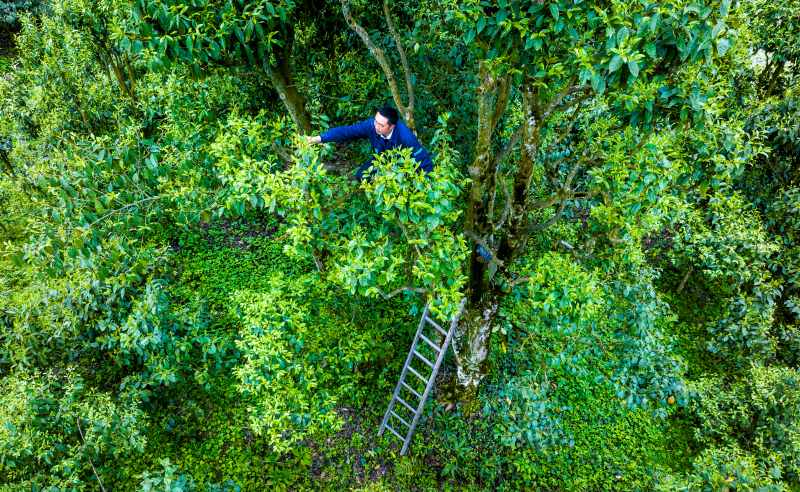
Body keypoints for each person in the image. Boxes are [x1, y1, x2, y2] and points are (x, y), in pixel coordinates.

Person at [306, 106, 433, 180]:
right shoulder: (372, 125)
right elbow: (347, 131)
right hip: (382, 159)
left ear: (391, 126)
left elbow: (424, 162)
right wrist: (319, 138)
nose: (376, 126)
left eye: (381, 125)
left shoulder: (406, 138)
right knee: (361, 176)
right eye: (376, 121)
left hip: (401, 166)